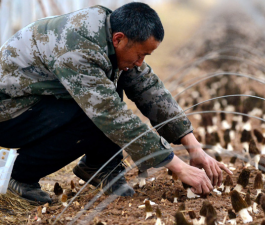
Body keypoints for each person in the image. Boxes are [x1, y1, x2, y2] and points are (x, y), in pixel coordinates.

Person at [0, 2, 231, 204]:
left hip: (37, 104)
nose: (141, 63)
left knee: (115, 84)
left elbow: (149, 89)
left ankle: (99, 166)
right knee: (97, 111)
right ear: (119, 39)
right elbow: (110, 114)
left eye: (146, 57)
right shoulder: (80, 50)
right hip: (10, 112)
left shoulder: (110, 33)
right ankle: (21, 174)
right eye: (140, 55)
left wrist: (194, 148)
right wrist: (178, 167)